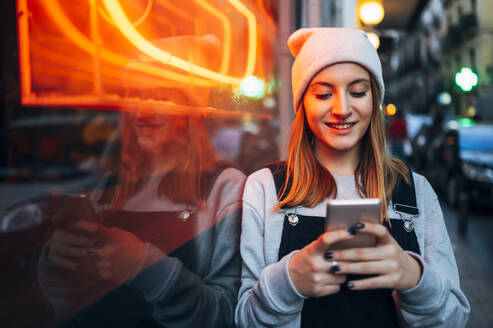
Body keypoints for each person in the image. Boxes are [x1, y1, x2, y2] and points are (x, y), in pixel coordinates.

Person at [235, 28, 470, 328]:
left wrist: (413, 277)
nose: (342, 109)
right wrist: (289, 281)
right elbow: (245, 319)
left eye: (358, 92)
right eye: (323, 94)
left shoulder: (415, 190)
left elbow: (455, 319)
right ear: (302, 102)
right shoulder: (265, 188)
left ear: (374, 100)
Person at [36, 35, 245, 327]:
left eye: (161, 96)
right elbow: (74, 306)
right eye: (134, 95)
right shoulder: (109, 188)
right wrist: (57, 265)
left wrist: (145, 267)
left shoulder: (224, 187)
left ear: (191, 109)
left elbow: (229, 314)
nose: (142, 111)